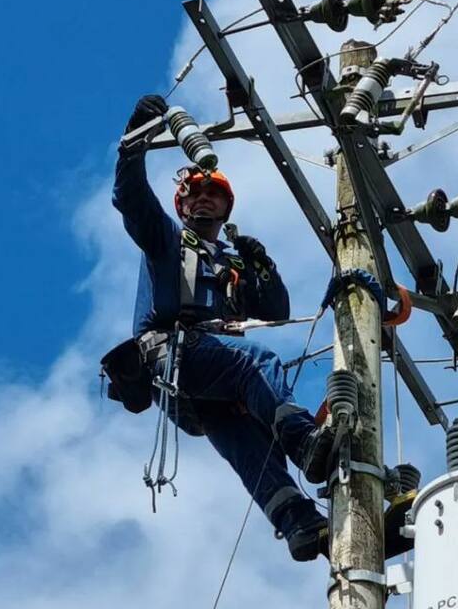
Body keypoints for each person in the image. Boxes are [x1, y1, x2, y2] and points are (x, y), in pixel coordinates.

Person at [111, 94, 335, 561]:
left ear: (226, 208)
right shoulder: (166, 239)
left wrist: (262, 267)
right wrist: (134, 143)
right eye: (197, 193)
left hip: (205, 387)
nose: (206, 199)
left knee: (250, 447)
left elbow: (273, 311)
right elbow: (130, 200)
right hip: (174, 357)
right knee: (258, 362)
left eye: (215, 195)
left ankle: (300, 524)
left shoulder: (230, 265)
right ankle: (303, 441)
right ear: (183, 203)